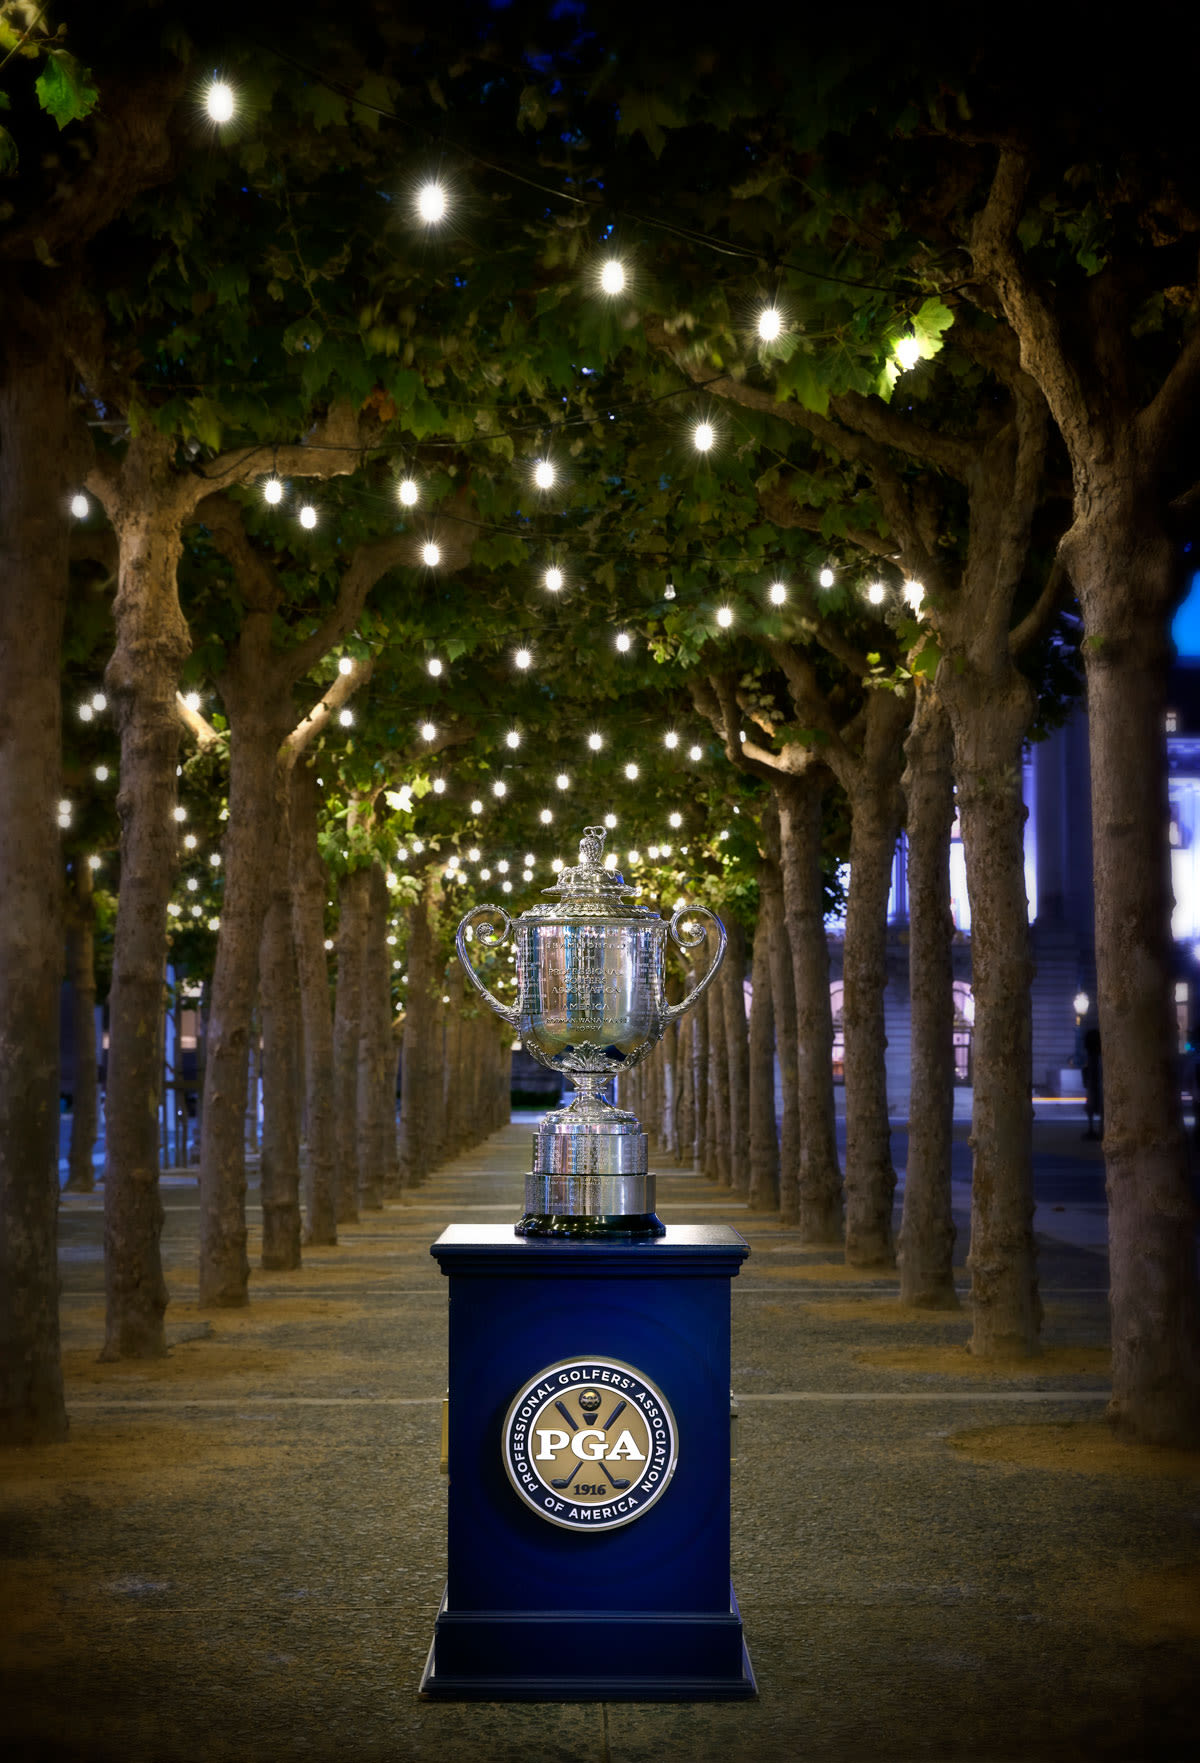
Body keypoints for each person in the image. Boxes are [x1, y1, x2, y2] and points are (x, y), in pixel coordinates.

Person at [1082, 1028, 1103, 1140]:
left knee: (1092, 1106)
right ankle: (1101, 1130)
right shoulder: (1097, 1058)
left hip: (1093, 1085)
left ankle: (1095, 1130)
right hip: (1096, 1085)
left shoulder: (1092, 1058)